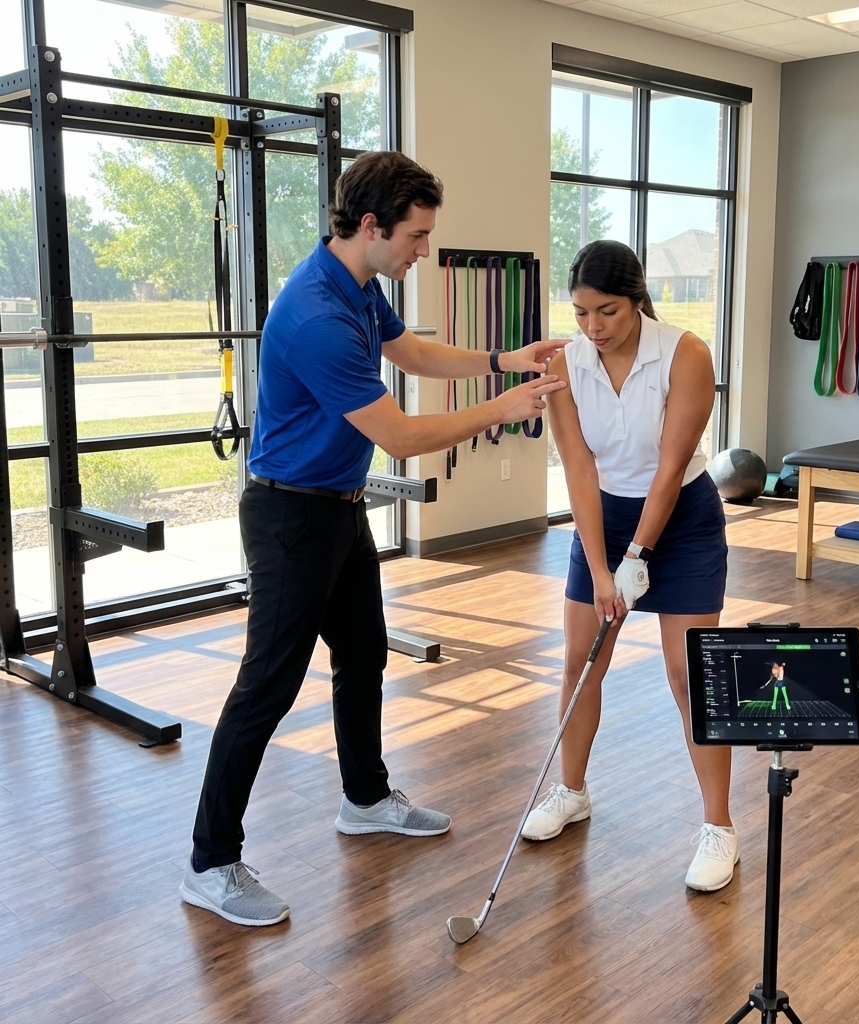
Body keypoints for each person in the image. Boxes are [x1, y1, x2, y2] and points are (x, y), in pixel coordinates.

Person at [181, 151, 565, 927]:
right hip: (291, 518)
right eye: (417, 236)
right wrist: (504, 404)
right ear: (370, 226)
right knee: (267, 688)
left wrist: (500, 361)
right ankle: (211, 862)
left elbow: (412, 351)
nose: (423, 250)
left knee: (362, 658)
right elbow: (400, 437)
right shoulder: (318, 314)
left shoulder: (356, 287)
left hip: (338, 508)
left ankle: (364, 799)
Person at [522, 239, 737, 892]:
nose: (593, 328)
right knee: (580, 662)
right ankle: (572, 791)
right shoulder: (565, 362)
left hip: (684, 522)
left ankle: (719, 828)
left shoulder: (685, 354)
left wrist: (639, 556)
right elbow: (579, 469)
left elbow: (671, 469)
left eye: (608, 312)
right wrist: (599, 567)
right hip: (604, 518)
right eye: (581, 313)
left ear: (636, 298)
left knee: (687, 673)